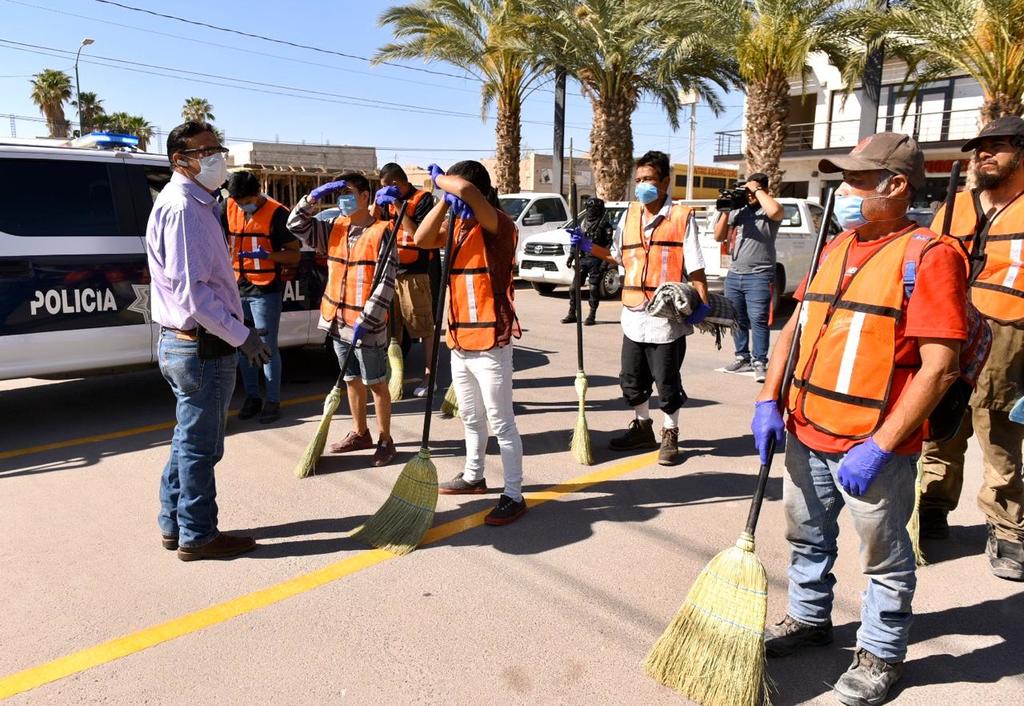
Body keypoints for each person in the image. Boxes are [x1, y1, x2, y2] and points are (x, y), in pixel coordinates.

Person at [752, 133, 969, 705]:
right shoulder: (835, 246)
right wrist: (769, 400)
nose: (842, 191)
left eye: (856, 180)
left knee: (884, 557)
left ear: (895, 186)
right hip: (805, 428)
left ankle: (881, 652)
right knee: (806, 537)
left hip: (873, 444)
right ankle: (808, 618)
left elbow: (940, 367)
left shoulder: (931, 255)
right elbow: (795, 327)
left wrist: (882, 445)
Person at [146, 121, 271, 561]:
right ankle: (198, 534)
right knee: (202, 447)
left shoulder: (197, 203)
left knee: (188, 439)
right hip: (201, 345)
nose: (217, 157)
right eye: (206, 151)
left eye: (217, 148)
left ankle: (174, 523)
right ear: (180, 160)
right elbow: (193, 295)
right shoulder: (184, 208)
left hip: (190, 342)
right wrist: (243, 335)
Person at [918, 115, 1024, 581]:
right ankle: (932, 507)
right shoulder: (954, 206)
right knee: (940, 423)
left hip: (1010, 329)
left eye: (997, 146)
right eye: (980, 147)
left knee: (998, 429)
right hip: (951, 324)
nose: (983, 154)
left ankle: (1007, 526)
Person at [578, 150, 709, 466]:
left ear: (665, 182)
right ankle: (642, 428)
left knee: (667, 382)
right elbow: (619, 256)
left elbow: (696, 268)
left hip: (666, 319)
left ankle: (670, 433)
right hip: (634, 315)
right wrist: (587, 247)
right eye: (638, 180)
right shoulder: (630, 215)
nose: (642, 186)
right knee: (631, 379)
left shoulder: (681, 217)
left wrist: (702, 304)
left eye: (648, 179)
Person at [413, 160, 526, 526]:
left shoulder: (498, 224)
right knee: (471, 417)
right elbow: (420, 240)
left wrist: (441, 182)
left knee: (501, 421)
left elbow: (465, 189)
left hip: (491, 341)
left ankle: (514, 494)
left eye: (455, 190)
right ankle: (474, 476)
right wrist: (441, 201)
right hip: (459, 339)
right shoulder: (457, 226)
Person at [287, 173, 399, 467]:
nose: (343, 199)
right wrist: (312, 198)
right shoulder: (334, 228)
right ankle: (360, 433)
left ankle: (385, 440)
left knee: (376, 383)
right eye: (338, 194)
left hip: (367, 324)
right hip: (337, 320)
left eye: (348, 193)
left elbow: (386, 282)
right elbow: (294, 224)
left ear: (365, 196)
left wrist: (368, 317)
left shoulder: (382, 232)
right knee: (351, 379)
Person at [222, 170, 301, 424]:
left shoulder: (278, 214)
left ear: (257, 193)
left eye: (246, 201)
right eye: (237, 201)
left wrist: (268, 256)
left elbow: (294, 254)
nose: (241, 206)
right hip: (236, 288)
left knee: (266, 347)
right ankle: (253, 398)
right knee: (243, 344)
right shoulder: (228, 206)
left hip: (265, 291)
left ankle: (273, 401)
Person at [713, 172, 783, 383]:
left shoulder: (768, 211)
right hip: (735, 274)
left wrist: (756, 189)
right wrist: (726, 211)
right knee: (737, 319)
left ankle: (759, 361)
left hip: (759, 275)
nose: (749, 195)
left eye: (753, 191)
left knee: (758, 319)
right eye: (748, 191)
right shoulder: (738, 211)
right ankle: (742, 357)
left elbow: (776, 211)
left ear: (764, 190)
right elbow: (718, 236)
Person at [375, 163, 438, 397]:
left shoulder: (423, 199)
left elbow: (418, 234)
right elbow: (375, 227)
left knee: (424, 328)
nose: (384, 191)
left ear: (395, 184)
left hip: (415, 274)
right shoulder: (385, 202)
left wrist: (397, 204)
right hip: (390, 273)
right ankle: (395, 378)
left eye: (386, 187)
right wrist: (376, 205)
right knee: (393, 330)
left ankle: (430, 378)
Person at [561, 197, 615, 326]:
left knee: (593, 288)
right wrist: (571, 256)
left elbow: (608, 246)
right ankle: (572, 313)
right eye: (589, 208)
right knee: (573, 288)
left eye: (594, 208)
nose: (591, 211)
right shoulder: (582, 223)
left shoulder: (605, 226)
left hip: (597, 260)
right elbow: (576, 241)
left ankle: (592, 315)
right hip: (583, 259)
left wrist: (604, 262)